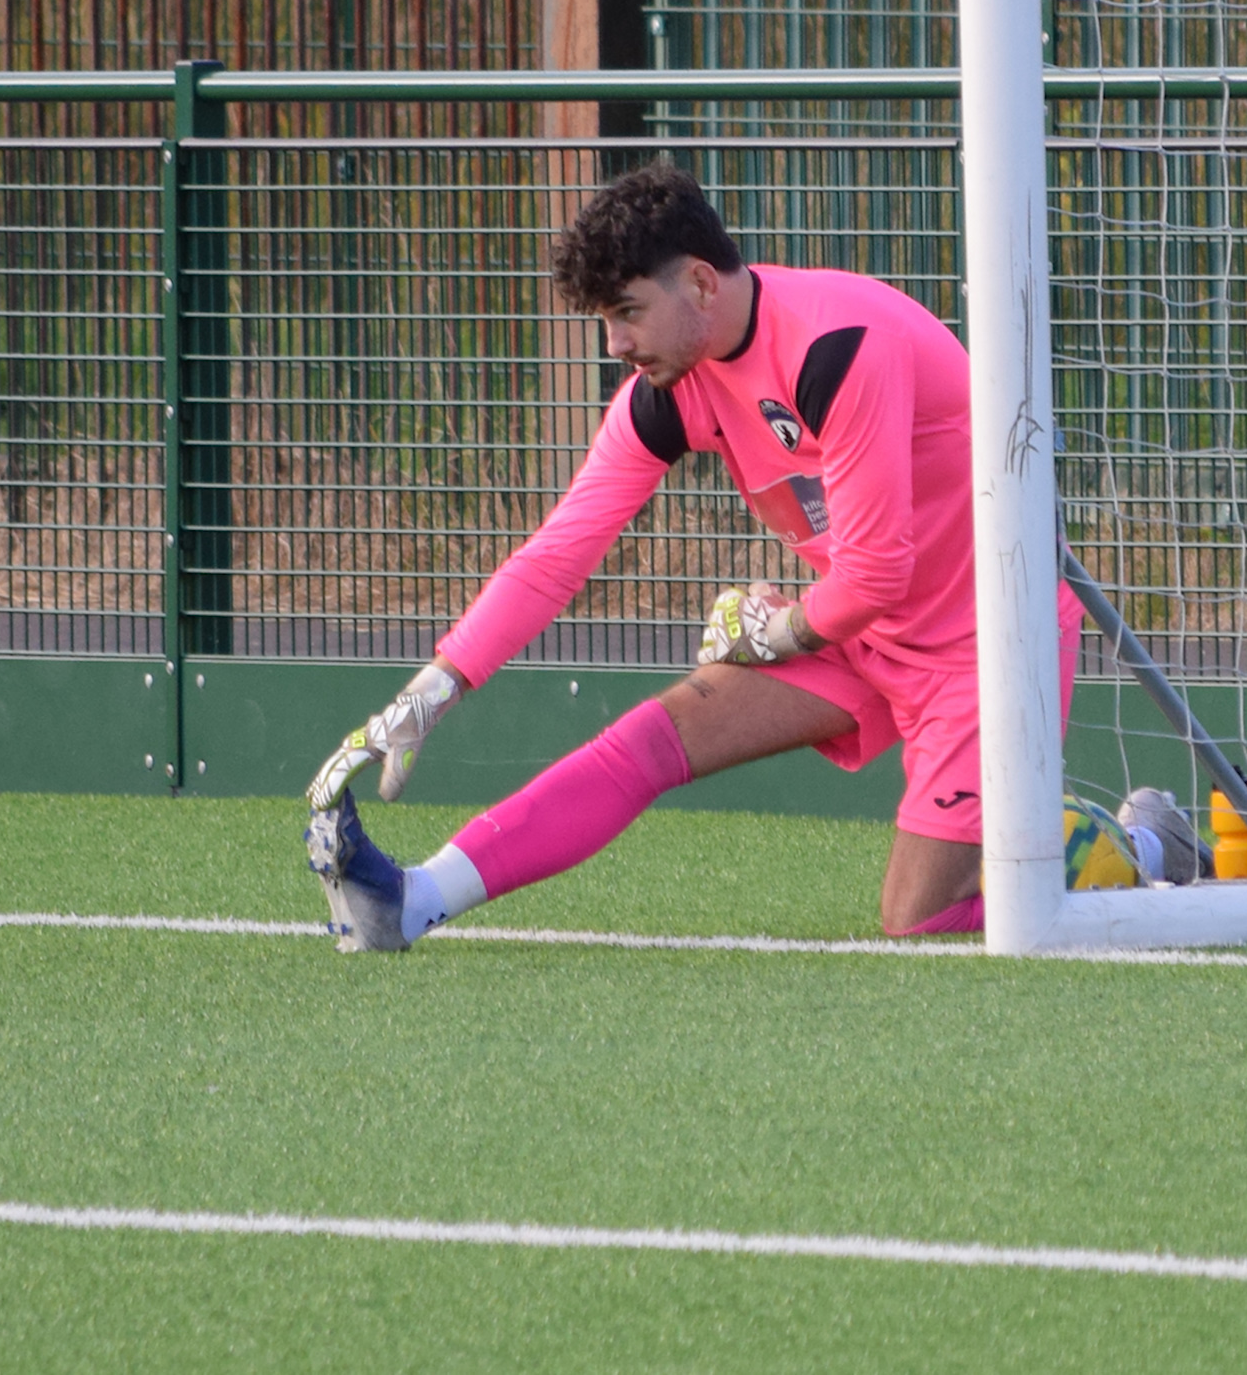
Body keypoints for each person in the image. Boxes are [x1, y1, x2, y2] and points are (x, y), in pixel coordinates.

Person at [303, 162, 1088, 952]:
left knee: (916, 918)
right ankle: (412, 899)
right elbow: (557, 555)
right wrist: (433, 691)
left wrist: (775, 633)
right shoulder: (669, 388)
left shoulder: (837, 346)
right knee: (649, 741)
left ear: (703, 286)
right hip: (855, 627)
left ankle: (1135, 852)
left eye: (628, 313)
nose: (615, 345)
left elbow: (879, 571)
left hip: (986, 641)